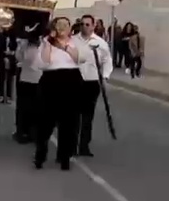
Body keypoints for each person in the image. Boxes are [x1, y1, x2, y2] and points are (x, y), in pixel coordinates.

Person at [32, 17, 89, 171]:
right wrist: (50, 42)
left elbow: (81, 58)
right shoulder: (46, 41)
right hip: (51, 81)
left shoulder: (75, 42)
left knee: (69, 123)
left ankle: (64, 157)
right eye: (60, 24)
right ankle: (40, 155)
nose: (63, 27)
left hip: (71, 81)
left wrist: (65, 47)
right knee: (45, 122)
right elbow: (43, 63)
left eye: (66, 25)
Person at [76, 15, 113, 158]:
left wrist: (105, 76)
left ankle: (84, 146)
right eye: (82, 24)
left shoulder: (100, 43)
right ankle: (71, 145)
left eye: (87, 24)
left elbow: (107, 61)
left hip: (92, 82)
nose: (85, 27)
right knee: (74, 116)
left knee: (87, 116)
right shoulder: (73, 41)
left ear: (93, 26)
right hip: (75, 82)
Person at [13, 31, 42, 144]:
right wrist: (21, 47)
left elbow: (31, 60)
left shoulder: (44, 43)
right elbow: (20, 58)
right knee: (23, 108)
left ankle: (33, 132)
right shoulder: (25, 44)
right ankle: (21, 132)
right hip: (25, 79)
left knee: (35, 109)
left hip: (38, 79)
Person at [0, 35, 16, 104]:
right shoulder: (0, 38)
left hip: (11, 59)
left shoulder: (13, 38)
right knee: (1, 78)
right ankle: (1, 95)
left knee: (10, 79)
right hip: (2, 58)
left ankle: (9, 96)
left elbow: (16, 48)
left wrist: (12, 53)